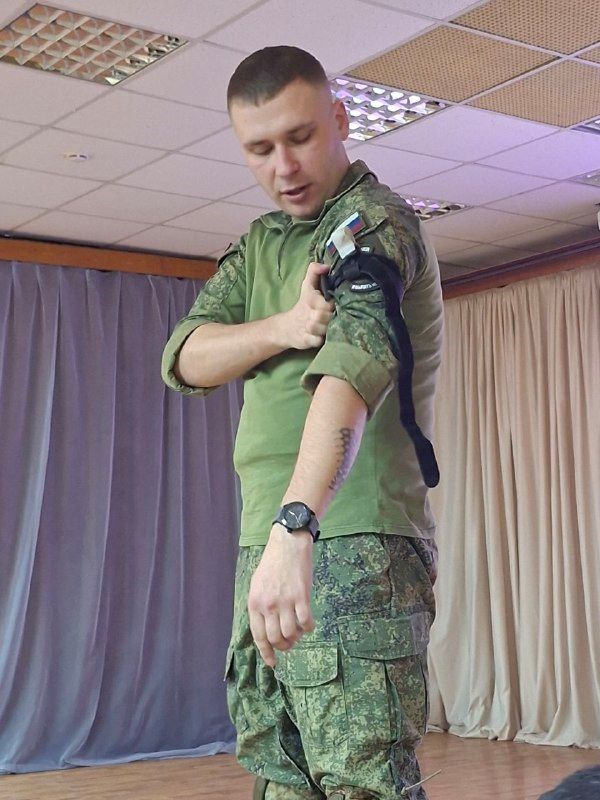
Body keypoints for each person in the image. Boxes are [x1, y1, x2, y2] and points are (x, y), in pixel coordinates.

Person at [161, 45, 443, 800]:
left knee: (361, 783)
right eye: (259, 148)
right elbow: (186, 356)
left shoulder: (373, 224)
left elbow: (350, 370)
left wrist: (298, 524)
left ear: (340, 120)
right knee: (279, 777)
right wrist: (283, 327)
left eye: (300, 137)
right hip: (271, 545)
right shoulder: (260, 245)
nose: (283, 166)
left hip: (346, 537)